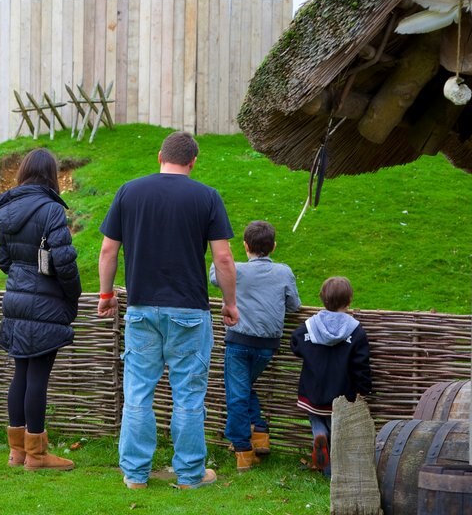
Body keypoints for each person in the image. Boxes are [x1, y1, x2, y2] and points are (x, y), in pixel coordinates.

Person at [97, 131, 239, 490]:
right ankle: (191, 475)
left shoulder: (130, 191)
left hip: (142, 308)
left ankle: (135, 474)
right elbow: (223, 257)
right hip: (189, 311)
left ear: (159, 156)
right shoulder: (206, 196)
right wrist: (230, 302)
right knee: (188, 395)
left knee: (138, 392)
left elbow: (107, 251)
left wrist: (105, 294)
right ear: (193, 162)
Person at [0, 147, 82, 471]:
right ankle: (37, 455)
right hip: (45, 303)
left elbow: (3, 260)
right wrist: (73, 297)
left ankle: (17, 452)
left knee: (22, 373)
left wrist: (22, 276)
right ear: (51, 175)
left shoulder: (7, 210)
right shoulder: (51, 210)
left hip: (16, 299)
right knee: (37, 375)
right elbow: (65, 263)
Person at [210, 220, 301, 471]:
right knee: (243, 387)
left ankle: (242, 449)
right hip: (267, 346)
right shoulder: (284, 272)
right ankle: (259, 431)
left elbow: (212, 274)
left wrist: (224, 256)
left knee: (237, 394)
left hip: (239, 341)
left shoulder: (236, 270)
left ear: (245, 245)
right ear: (273, 246)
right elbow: (294, 305)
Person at [290, 276, 372, 478]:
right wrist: (364, 388)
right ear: (349, 300)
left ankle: (319, 435)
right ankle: (331, 472)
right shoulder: (356, 331)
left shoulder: (308, 327)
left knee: (316, 417)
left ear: (322, 299)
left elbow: (295, 343)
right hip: (341, 393)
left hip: (312, 389)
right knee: (337, 429)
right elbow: (361, 364)